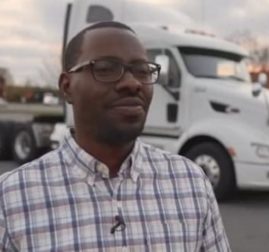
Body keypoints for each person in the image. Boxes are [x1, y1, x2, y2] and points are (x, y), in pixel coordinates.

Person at [0, 21, 231, 251]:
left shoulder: (191, 183)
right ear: (67, 87)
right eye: (106, 69)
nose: (132, 83)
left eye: (142, 71)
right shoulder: (11, 198)